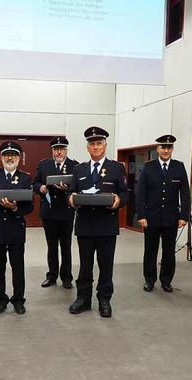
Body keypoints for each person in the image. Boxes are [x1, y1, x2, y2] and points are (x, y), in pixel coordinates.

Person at [67, 127, 129, 318]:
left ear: (105, 145)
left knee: (105, 265)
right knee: (85, 265)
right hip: (85, 225)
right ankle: (83, 299)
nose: (96, 147)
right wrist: (70, 199)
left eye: (99, 143)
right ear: (87, 147)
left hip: (106, 226)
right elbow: (71, 192)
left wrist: (119, 201)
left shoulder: (117, 168)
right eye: (92, 144)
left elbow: (125, 193)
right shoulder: (79, 169)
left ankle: (104, 299)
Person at [0, 141, 34, 315]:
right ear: (1, 157)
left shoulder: (25, 178)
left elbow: (30, 206)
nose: (10, 158)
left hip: (16, 228)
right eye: (6, 155)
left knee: (18, 266)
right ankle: (0, 299)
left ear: (19, 158)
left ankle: (18, 300)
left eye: (14, 155)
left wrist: (15, 209)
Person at [136, 134, 190, 293]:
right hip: (151, 217)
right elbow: (141, 193)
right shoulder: (148, 166)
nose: (166, 150)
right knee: (150, 250)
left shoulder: (178, 167)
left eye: (169, 147)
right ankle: (149, 280)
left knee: (169, 251)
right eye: (163, 147)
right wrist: (141, 215)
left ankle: (166, 280)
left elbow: (185, 193)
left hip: (171, 217)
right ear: (157, 148)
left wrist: (184, 216)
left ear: (172, 149)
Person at [33, 136, 78, 289]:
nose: (59, 152)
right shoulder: (44, 165)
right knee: (52, 246)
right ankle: (52, 276)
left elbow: (78, 187)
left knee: (66, 246)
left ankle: (66, 277)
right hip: (49, 212)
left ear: (66, 150)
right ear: (52, 150)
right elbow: (36, 182)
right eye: (56, 149)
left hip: (66, 212)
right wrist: (40, 188)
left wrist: (68, 189)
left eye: (62, 149)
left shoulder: (75, 166)